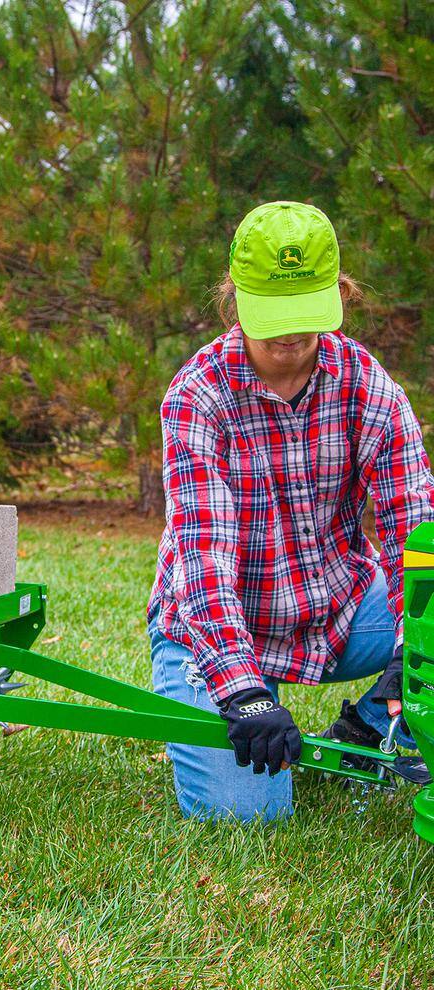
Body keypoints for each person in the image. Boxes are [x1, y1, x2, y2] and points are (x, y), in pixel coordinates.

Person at [147, 200, 434, 821]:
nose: (288, 334)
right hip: (218, 626)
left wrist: (412, 665)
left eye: (304, 311)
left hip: (341, 607)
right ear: (236, 297)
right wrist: (244, 692)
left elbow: (414, 529)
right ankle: (229, 691)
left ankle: (364, 729)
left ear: (339, 295)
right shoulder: (198, 396)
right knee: (246, 814)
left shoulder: (367, 386)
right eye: (272, 313)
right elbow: (202, 557)